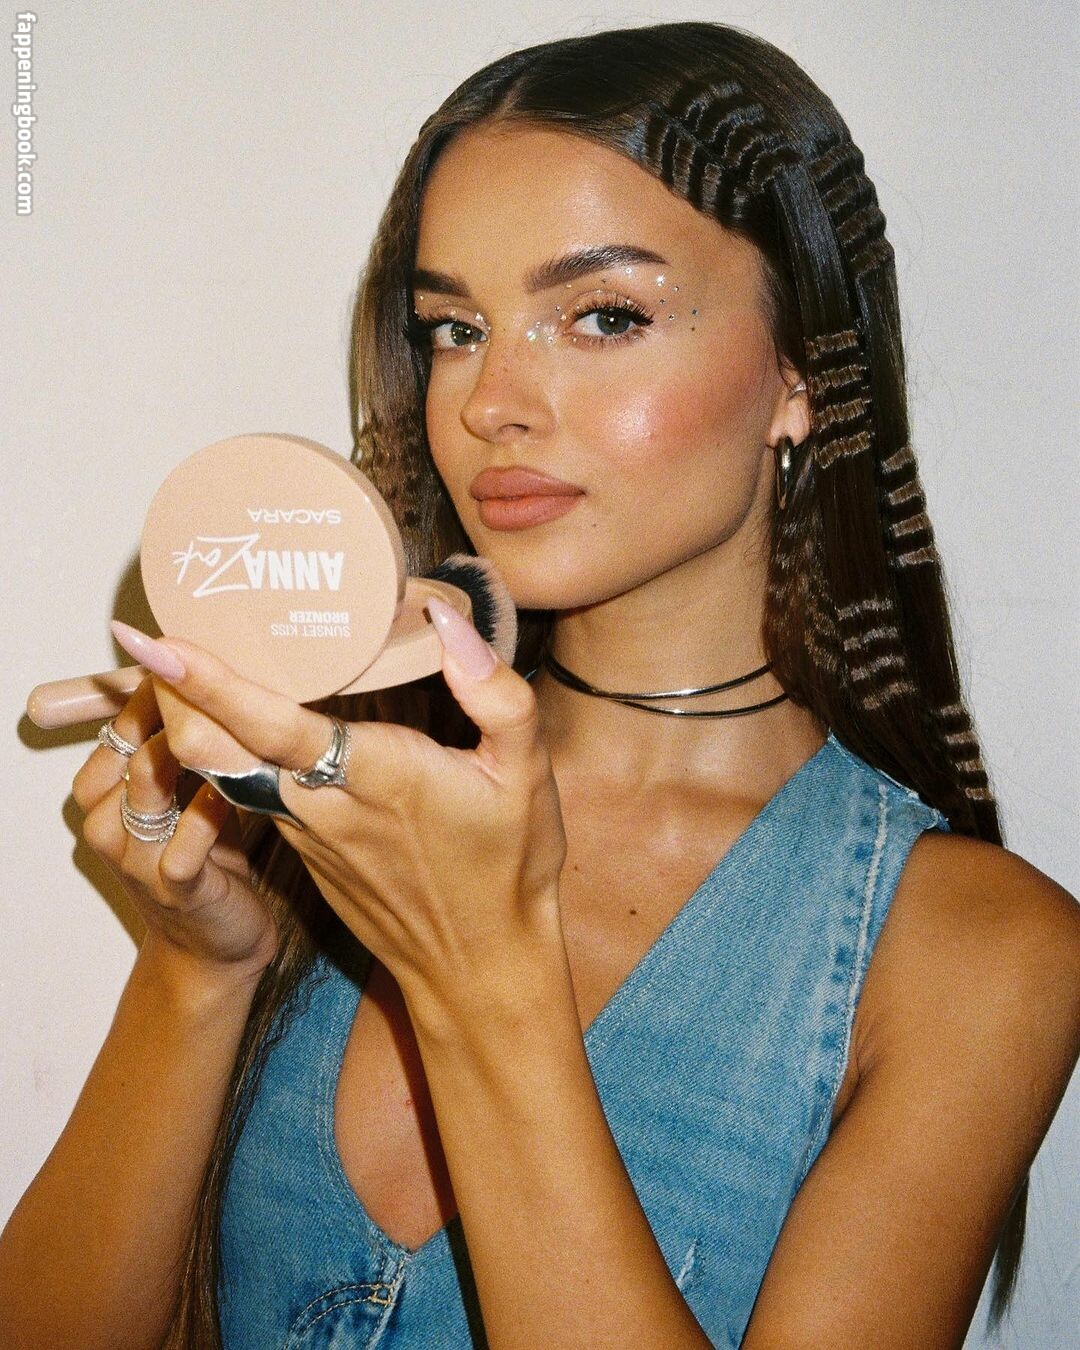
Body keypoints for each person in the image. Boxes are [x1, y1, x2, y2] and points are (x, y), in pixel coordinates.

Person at [2, 19, 1077, 1350]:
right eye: (454, 329)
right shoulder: (335, 805)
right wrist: (197, 967)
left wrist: (485, 974)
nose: (491, 402)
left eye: (603, 316)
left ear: (801, 371)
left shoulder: (975, 953)